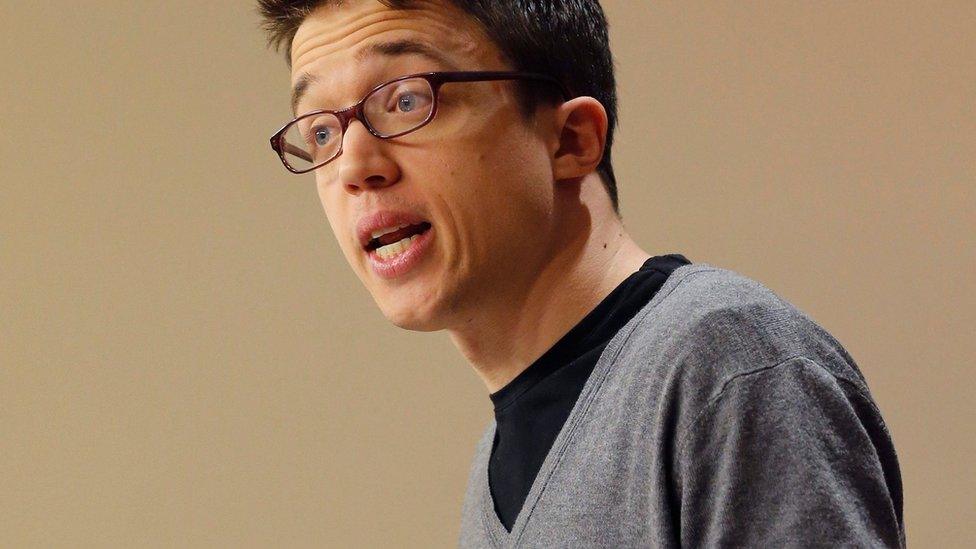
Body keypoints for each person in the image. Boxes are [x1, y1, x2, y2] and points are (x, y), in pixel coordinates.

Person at [258, 0, 905, 546]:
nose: (353, 164)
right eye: (320, 133)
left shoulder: (727, 368)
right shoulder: (493, 470)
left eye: (405, 99)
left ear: (570, 140)